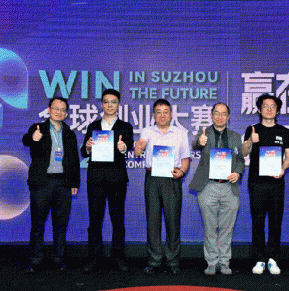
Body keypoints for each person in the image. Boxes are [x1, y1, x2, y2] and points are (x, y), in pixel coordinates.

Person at [22, 97, 80, 272]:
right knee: (38, 223)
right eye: (56, 108)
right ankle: (36, 258)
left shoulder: (69, 133)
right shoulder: (38, 128)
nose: (59, 112)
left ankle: (58, 258)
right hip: (42, 182)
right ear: (49, 109)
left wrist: (75, 182)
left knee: (61, 224)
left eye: (63, 109)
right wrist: (33, 138)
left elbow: (74, 160)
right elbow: (25, 140)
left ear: (66, 113)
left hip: (63, 183)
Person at [134, 99, 191, 275]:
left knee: (173, 221)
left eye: (166, 111)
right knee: (153, 221)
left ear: (171, 114)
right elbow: (140, 146)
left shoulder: (180, 133)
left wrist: (182, 172)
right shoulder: (147, 131)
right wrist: (138, 148)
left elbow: (186, 158)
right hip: (153, 178)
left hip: (172, 179)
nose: (162, 115)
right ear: (154, 115)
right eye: (158, 112)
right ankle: (154, 261)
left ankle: (173, 261)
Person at [80, 89, 134, 273]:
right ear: (102, 104)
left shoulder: (125, 126)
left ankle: (118, 256)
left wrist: (123, 147)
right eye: (106, 101)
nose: (110, 105)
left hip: (117, 179)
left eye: (113, 102)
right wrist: (88, 147)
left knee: (118, 219)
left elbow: (129, 146)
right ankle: (94, 257)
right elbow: (83, 151)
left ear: (118, 105)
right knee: (95, 220)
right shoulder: (93, 126)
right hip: (96, 179)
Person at [190, 103, 245, 275]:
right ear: (211, 115)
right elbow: (195, 144)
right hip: (208, 186)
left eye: (223, 114)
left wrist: (238, 172)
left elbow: (240, 160)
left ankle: (224, 262)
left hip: (229, 187)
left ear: (228, 117)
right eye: (216, 113)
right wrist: (199, 142)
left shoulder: (235, 136)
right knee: (210, 228)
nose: (220, 117)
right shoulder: (204, 133)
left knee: (227, 228)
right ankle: (212, 262)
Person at [242, 93, 289, 275]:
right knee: (257, 221)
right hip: (257, 183)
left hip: (276, 183)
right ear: (259, 109)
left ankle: (273, 259)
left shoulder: (284, 132)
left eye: (273, 107)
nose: (269, 109)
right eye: (265, 106)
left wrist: (283, 168)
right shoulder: (252, 129)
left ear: (277, 111)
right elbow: (244, 152)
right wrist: (251, 140)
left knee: (275, 221)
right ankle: (259, 259)